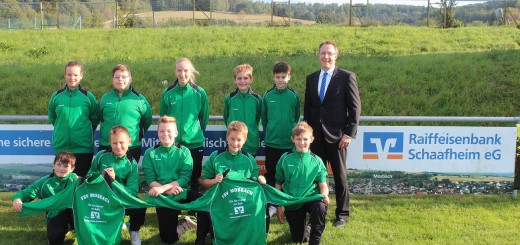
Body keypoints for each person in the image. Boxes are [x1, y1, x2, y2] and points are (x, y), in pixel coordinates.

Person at [303, 40, 361, 227]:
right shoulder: (311, 78)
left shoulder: (346, 77)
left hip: (337, 138)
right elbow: (309, 108)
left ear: (336, 55)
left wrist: (348, 133)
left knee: (340, 176)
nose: (326, 57)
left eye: (329, 53)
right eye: (323, 53)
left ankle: (342, 215)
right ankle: (317, 213)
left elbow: (355, 108)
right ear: (318, 55)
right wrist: (307, 134)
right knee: (316, 177)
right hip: (316, 138)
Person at [142, 116, 203, 244]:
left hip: (181, 192)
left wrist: (164, 188)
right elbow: (150, 179)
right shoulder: (150, 153)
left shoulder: (184, 152)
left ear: (176, 133)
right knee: (168, 239)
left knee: (205, 204)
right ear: (157, 133)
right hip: (163, 197)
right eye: (162, 131)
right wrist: (166, 191)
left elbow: (185, 179)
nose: (165, 134)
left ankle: (203, 235)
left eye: (169, 131)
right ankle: (185, 223)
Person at [199, 121, 262, 243]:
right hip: (221, 201)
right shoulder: (215, 156)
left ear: (244, 140)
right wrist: (214, 180)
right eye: (232, 139)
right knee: (204, 205)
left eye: (239, 140)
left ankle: (255, 236)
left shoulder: (249, 159)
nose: (235, 143)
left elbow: (254, 184)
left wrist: (260, 179)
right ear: (227, 137)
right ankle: (201, 237)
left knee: (260, 207)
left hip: (243, 201)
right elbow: (203, 181)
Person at [86, 126, 144, 245]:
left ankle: (133, 231)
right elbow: (88, 177)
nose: (118, 146)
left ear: (129, 141)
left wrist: (114, 181)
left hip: (120, 200)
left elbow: (132, 192)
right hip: (101, 198)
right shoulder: (101, 156)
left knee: (140, 206)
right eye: (115, 143)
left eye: (122, 142)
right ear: (110, 143)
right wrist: (101, 174)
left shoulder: (132, 163)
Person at [160, 57, 209, 192]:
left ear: (191, 71)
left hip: (194, 143)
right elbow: (163, 117)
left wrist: (193, 133)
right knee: (174, 178)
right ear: (175, 72)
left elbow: (203, 118)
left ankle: (192, 210)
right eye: (179, 70)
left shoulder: (200, 93)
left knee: (194, 179)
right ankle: (175, 208)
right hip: (173, 145)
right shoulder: (168, 93)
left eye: (186, 70)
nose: (182, 74)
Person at [275, 122, 329, 244]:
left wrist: (325, 195)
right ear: (293, 139)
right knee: (298, 239)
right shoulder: (285, 158)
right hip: (293, 201)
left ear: (311, 139)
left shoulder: (316, 160)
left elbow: (322, 184)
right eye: (298, 139)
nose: (302, 142)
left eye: (305, 139)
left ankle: (315, 240)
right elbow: (278, 182)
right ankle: (307, 229)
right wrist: (278, 206)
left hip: (311, 197)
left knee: (320, 208)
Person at [12, 152, 78, 244]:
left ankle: (78, 230)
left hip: (75, 212)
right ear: (53, 166)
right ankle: (60, 230)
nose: (61, 169)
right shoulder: (44, 182)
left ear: (72, 169)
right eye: (58, 165)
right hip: (55, 213)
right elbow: (25, 193)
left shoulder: (77, 180)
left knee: (86, 234)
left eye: (65, 166)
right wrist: (17, 199)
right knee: (54, 239)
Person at [48, 61, 98, 177]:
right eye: (69, 74)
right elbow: (53, 118)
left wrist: (83, 133)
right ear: (65, 75)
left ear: (81, 76)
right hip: (62, 147)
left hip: (83, 148)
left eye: (75, 75)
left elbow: (94, 119)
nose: (72, 78)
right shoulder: (56, 96)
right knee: (61, 183)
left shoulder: (88, 96)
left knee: (81, 183)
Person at [98, 64, 152, 162]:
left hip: (131, 148)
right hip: (107, 146)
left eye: (124, 77)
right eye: (117, 77)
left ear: (130, 79)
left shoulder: (139, 100)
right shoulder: (105, 98)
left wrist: (137, 134)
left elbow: (147, 120)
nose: (120, 79)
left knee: (128, 176)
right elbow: (100, 117)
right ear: (113, 79)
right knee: (106, 176)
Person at [223, 64, 262, 157]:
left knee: (248, 170)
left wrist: (251, 130)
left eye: (245, 78)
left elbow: (259, 118)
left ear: (251, 79)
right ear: (235, 80)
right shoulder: (230, 98)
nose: (242, 81)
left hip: (251, 142)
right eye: (239, 78)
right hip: (234, 144)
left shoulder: (257, 99)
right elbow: (226, 117)